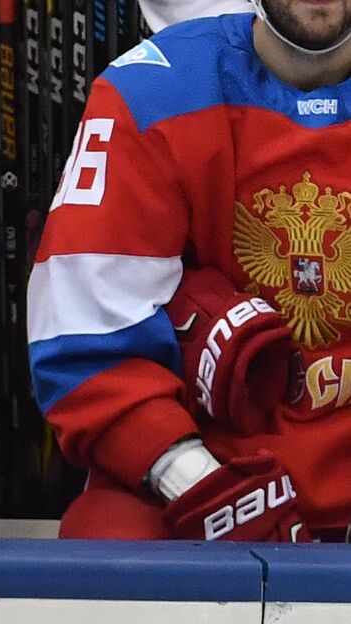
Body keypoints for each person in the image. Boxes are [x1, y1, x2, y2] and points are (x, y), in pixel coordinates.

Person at [27, 0, 351, 541]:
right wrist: (203, 485)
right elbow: (85, 337)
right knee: (108, 542)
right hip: (198, 467)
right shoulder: (150, 92)